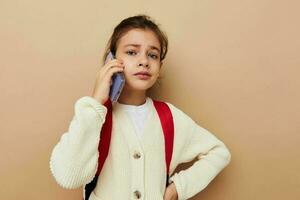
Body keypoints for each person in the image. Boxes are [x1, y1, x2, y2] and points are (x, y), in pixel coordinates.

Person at [49, 14, 231, 200]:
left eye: (152, 55)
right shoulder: (95, 116)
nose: (144, 61)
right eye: (131, 52)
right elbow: (68, 177)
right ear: (110, 60)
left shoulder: (169, 117)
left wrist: (178, 188)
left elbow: (219, 152)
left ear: (159, 66)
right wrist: (96, 102)